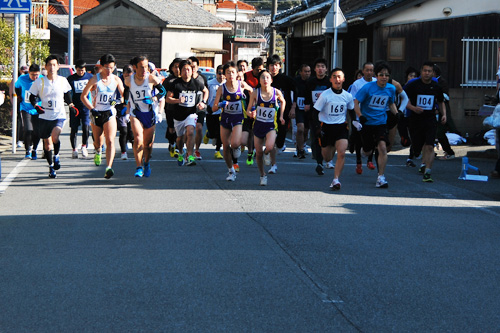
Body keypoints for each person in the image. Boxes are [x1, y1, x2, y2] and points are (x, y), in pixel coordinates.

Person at [29, 55, 76, 178]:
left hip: (59, 114)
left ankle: (57, 156)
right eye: (49, 65)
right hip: (44, 116)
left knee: (55, 136)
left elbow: (67, 94)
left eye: (54, 65)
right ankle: (51, 167)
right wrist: (36, 106)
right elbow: (32, 96)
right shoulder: (40, 81)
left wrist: (71, 105)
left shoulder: (62, 80)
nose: (52, 67)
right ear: (45, 67)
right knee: (47, 144)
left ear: (58, 67)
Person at [80, 53, 125, 179]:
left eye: (112, 67)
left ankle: (108, 167)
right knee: (98, 142)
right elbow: (83, 96)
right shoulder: (95, 79)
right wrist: (92, 109)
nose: (109, 70)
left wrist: (116, 101)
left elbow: (124, 96)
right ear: (101, 66)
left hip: (109, 113)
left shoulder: (116, 80)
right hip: (96, 113)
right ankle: (98, 151)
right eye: (107, 68)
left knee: (110, 140)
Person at [354, 61, 398, 188]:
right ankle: (365, 151)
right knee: (367, 151)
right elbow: (356, 102)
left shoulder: (391, 89)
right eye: (381, 75)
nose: (384, 77)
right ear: (376, 75)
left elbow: (391, 103)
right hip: (367, 122)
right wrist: (361, 116)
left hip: (381, 122)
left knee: (383, 148)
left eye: (386, 75)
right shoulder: (368, 88)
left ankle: (381, 177)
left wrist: (396, 114)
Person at [312, 68, 354, 190]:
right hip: (326, 127)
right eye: (334, 77)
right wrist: (317, 128)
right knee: (328, 157)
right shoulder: (325, 95)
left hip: (341, 127)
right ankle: (328, 153)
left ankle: (336, 180)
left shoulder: (348, 96)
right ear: (330, 79)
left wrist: (356, 122)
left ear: (343, 79)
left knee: (341, 152)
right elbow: (315, 112)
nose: (337, 79)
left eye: (339, 77)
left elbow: (351, 110)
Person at [404, 61, 446, 183]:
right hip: (415, 119)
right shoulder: (413, 85)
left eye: (429, 71)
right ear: (421, 72)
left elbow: (441, 101)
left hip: (430, 119)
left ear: (433, 73)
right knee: (417, 147)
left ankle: (428, 171)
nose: (427, 73)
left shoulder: (436, 86)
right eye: (425, 71)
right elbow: (403, 99)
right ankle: (421, 159)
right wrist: (413, 108)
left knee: (429, 145)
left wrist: (444, 115)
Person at [125, 55, 166, 177]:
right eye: (141, 67)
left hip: (149, 113)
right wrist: (126, 110)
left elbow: (163, 91)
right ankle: (138, 167)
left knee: (147, 145)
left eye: (146, 67)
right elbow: (125, 95)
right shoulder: (128, 80)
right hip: (136, 113)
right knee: (138, 139)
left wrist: (155, 98)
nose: (144, 70)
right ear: (135, 67)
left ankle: (147, 163)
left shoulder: (151, 78)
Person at [212, 61, 253, 181]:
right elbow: (214, 107)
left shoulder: (242, 85)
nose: (230, 75)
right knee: (225, 147)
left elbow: (253, 92)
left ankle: (235, 152)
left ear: (237, 73)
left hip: (238, 118)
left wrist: (251, 107)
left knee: (235, 143)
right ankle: (231, 171)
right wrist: (220, 104)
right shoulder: (222, 88)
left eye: (233, 72)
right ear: (224, 74)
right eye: (228, 72)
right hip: (225, 118)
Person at [246, 69, 285, 186]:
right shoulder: (255, 93)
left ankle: (267, 153)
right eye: (262, 77)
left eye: (267, 77)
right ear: (259, 80)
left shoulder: (276, 92)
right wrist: (251, 114)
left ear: (271, 80)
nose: (265, 79)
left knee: (269, 146)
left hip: (271, 125)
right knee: (258, 152)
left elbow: (283, 102)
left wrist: (281, 116)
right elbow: (248, 110)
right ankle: (262, 175)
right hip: (258, 125)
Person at [166, 59, 208, 166]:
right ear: (180, 71)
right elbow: (168, 99)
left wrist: (203, 102)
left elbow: (206, 91)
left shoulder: (196, 83)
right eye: (184, 69)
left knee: (190, 132)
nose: (186, 72)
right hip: (178, 115)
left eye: (188, 69)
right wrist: (178, 101)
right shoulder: (175, 84)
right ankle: (180, 152)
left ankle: (190, 156)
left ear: (192, 70)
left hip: (191, 113)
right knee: (179, 138)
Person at [267, 54, 296, 174]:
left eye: (276, 65)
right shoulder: (265, 78)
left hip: (284, 110)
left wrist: (293, 107)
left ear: (280, 66)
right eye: (272, 65)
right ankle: (269, 154)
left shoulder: (286, 79)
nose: (274, 68)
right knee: (270, 135)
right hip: (268, 111)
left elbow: (296, 92)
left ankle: (279, 145)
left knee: (282, 133)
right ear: (268, 66)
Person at [349, 62, 377, 174]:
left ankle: (370, 160)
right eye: (367, 70)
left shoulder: (377, 82)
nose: (369, 72)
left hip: (373, 115)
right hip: (359, 115)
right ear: (363, 71)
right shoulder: (357, 84)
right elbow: (352, 101)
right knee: (359, 140)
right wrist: (354, 117)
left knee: (372, 138)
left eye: (371, 70)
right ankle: (359, 162)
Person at [304, 58, 331, 174]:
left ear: (326, 69)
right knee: (316, 137)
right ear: (315, 69)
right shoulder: (310, 82)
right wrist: (307, 105)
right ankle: (319, 162)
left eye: (322, 66)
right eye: (318, 66)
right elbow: (306, 98)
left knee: (328, 138)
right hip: (314, 115)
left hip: (328, 115)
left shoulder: (330, 83)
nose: (320, 69)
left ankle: (327, 158)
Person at [67, 59, 93, 159]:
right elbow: (67, 92)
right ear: (75, 69)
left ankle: (84, 146)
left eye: (82, 70)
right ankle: (74, 149)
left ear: (85, 69)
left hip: (86, 106)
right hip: (75, 106)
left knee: (86, 128)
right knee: (74, 129)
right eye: (78, 70)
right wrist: (70, 104)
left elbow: (95, 88)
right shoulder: (71, 79)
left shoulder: (90, 77)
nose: (80, 72)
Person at [15, 64, 41, 159]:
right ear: (28, 73)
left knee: (37, 131)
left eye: (37, 75)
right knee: (28, 129)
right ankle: (28, 150)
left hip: (38, 108)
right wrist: (18, 96)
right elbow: (16, 87)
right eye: (33, 75)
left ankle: (34, 149)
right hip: (26, 108)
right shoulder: (22, 78)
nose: (35, 77)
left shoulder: (42, 79)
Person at [242, 57, 265, 166]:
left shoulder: (265, 77)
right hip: (248, 106)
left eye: (261, 69)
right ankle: (250, 152)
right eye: (257, 70)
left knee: (258, 132)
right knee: (249, 132)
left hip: (261, 107)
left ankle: (257, 149)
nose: (260, 72)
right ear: (252, 68)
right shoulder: (246, 76)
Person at [434, 64, 459, 160]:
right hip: (436, 110)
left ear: (435, 73)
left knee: (440, 132)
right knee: (436, 132)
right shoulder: (433, 81)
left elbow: (445, 96)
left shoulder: (441, 82)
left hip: (442, 111)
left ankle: (449, 152)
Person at [189, 56, 208, 160]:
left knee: (199, 128)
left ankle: (197, 150)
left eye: (194, 67)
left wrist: (204, 102)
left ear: (197, 67)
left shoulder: (202, 78)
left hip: (199, 108)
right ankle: (188, 150)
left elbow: (207, 91)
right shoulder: (184, 78)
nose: (192, 69)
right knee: (188, 131)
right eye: (190, 66)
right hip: (187, 108)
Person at [162, 58, 181, 158]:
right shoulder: (168, 80)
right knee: (171, 128)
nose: (177, 69)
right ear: (172, 68)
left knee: (180, 128)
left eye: (179, 67)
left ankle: (177, 147)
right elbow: (162, 94)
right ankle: (171, 143)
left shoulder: (185, 79)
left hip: (182, 109)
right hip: (170, 108)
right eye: (175, 67)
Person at [206, 65, 225, 159]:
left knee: (220, 133)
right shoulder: (210, 83)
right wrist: (206, 106)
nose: (221, 76)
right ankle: (208, 134)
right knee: (212, 133)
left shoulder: (227, 84)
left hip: (222, 112)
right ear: (216, 74)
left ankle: (217, 150)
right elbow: (205, 95)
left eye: (223, 73)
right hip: (211, 111)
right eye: (219, 73)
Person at [293, 64, 311, 159]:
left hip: (308, 109)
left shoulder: (312, 82)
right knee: (300, 128)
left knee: (305, 131)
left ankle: (301, 144)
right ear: (301, 72)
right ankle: (300, 150)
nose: (307, 73)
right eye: (305, 71)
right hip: (298, 108)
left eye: (309, 71)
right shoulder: (295, 81)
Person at [116, 64, 134, 160]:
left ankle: (138, 152)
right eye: (125, 75)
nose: (127, 77)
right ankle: (123, 152)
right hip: (121, 108)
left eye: (129, 75)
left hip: (134, 108)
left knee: (132, 133)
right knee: (123, 130)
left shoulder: (136, 81)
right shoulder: (118, 81)